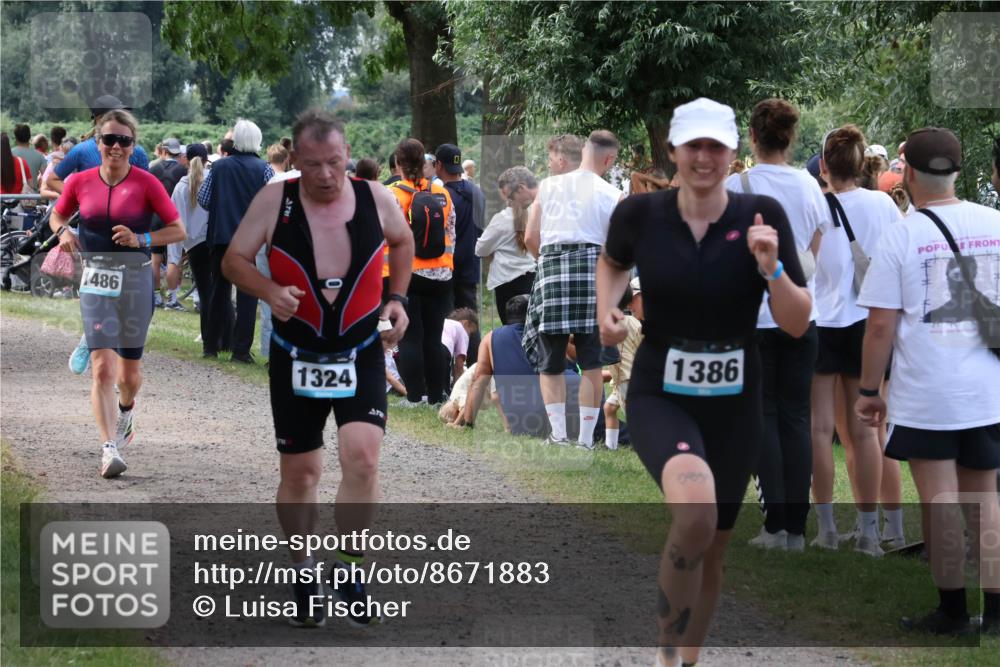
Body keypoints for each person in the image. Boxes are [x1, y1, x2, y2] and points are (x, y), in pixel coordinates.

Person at [596, 97, 811, 667]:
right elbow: (613, 262)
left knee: (713, 547)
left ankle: (687, 660)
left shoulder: (760, 215)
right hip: (662, 391)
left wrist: (773, 271)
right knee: (694, 515)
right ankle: (666, 659)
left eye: (716, 146)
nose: (704, 157)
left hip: (737, 398)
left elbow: (796, 321)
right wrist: (606, 309)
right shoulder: (639, 215)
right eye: (693, 145)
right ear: (673, 151)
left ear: (734, 153)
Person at [222, 108, 413, 628]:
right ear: (296, 161)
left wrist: (397, 298)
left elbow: (402, 241)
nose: (325, 174)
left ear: (348, 156)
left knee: (364, 458)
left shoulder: (376, 197)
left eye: (334, 162)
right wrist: (267, 291)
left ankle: (351, 569)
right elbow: (234, 259)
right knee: (302, 473)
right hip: (295, 352)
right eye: (312, 164)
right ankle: (305, 572)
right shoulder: (274, 199)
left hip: (361, 348)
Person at [855, 127, 1000, 636]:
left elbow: (879, 326)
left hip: (928, 390)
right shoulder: (996, 223)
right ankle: (998, 616)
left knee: (939, 497)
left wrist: (870, 390)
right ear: (959, 169)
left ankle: (954, 613)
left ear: (909, 174)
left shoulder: (901, 234)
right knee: (986, 496)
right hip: (987, 389)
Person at [48, 109, 186, 478]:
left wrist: (142, 238)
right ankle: (109, 449)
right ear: (97, 143)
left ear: (133, 145)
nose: (115, 147)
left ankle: (127, 410)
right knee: (102, 368)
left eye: (123, 140)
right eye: (109, 139)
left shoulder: (147, 183)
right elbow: (57, 215)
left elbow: (177, 230)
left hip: (137, 279)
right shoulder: (79, 181)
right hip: (95, 278)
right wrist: (64, 232)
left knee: (129, 374)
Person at [723, 98, 828, 551]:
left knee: (761, 416)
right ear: (791, 138)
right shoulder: (809, 186)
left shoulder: (736, 185)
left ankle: (775, 525)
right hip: (803, 315)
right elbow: (815, 251)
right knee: (796, 417)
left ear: (752, 137)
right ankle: (796, 530)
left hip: (753, 318)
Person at [810, 125, 902, 556]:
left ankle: (827, 528)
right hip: (867, 323)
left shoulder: (815, 207)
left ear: (824, 166)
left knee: (819, 429)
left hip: (820, 321)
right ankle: (872, 532)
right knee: (868, 432)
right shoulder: (883, 204)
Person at [522, 130, 623, 449]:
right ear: (608, 159)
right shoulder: (613, 194)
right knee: (592, 361)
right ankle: (584, 440)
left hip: (553, 271)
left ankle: (559, 435)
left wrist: (550, 264)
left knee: (550, 359)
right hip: (596, 274)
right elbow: (619, 250)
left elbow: (529, 238)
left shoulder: (549, 186)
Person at [462, 295, 592, 438]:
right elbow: (578, 358)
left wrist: (468, 424)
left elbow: (478, 382)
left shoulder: (490, 338)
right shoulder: (545, 332)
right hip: (558, 417)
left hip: (521, 425)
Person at [198, 119, 274, 363]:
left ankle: (210, 345)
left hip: (221, 237)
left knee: (218, 292)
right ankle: (240, 351)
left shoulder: (219, 167)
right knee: (247, 297)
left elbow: (204, 199)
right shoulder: (265, 169)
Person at [389, 138, 456, 406]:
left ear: (398, 164)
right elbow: (452, 233)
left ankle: (415, 397)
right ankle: (437, 396)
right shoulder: (443, 194)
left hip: (410, 275)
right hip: (442, 275)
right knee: (434, 336)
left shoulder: (393, 194)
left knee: (410, 336)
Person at [476, 166, 539, 324]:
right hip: (531, 277)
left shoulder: (502, 220)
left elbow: (480, 249)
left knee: (512, 331)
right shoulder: (535, 213)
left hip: (507, 283)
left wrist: (495, 250)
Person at [435, 143, 486, 316]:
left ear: (439, 165)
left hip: (448, 266)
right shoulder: (477, 192)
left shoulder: (442, 196)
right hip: (471, 262)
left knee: (449, 319)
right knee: (469, 317)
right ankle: (474, 344)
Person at [167, 144, 211, 327]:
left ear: (186, 159)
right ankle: (222, 336)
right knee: (218, 292)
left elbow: (177, 224)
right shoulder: (212, 181)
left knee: (204, 291)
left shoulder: (180, 188)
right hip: (213, 241)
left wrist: (174, 259)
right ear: (206, 159)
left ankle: (209, 336)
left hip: (193, 246)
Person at [603, 278, 643, 451]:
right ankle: (610, 446)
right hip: (629, 376)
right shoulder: (633, 321)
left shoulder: (606, 323)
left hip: (625, 379)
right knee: (610, 408)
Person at [441, 308, 478, 389]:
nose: (469, 336)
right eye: (470, 333)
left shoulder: (443, 321)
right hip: (443, 350)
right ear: (466, 323)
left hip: (426, 348)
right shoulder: (461, 329)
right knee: (443, 387)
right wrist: (456, 390)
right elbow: (459, 367)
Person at [11, 123, 46, 191]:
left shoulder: (9, 154)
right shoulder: (39, 155)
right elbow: (46, 177)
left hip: (11, 197)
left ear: (16, 137)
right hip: (31, 198)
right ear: (29, 136)